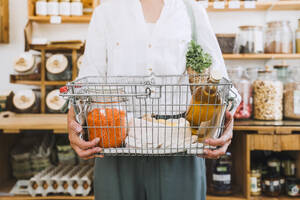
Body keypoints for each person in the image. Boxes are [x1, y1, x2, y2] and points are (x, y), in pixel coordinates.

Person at [68, 0, 240, 199]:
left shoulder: (192, 12)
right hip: (115, 140)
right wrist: (73, 116)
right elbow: (88, 80)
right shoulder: (106, 12)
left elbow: (220, 81)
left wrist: (228, 121)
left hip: (181, 142)